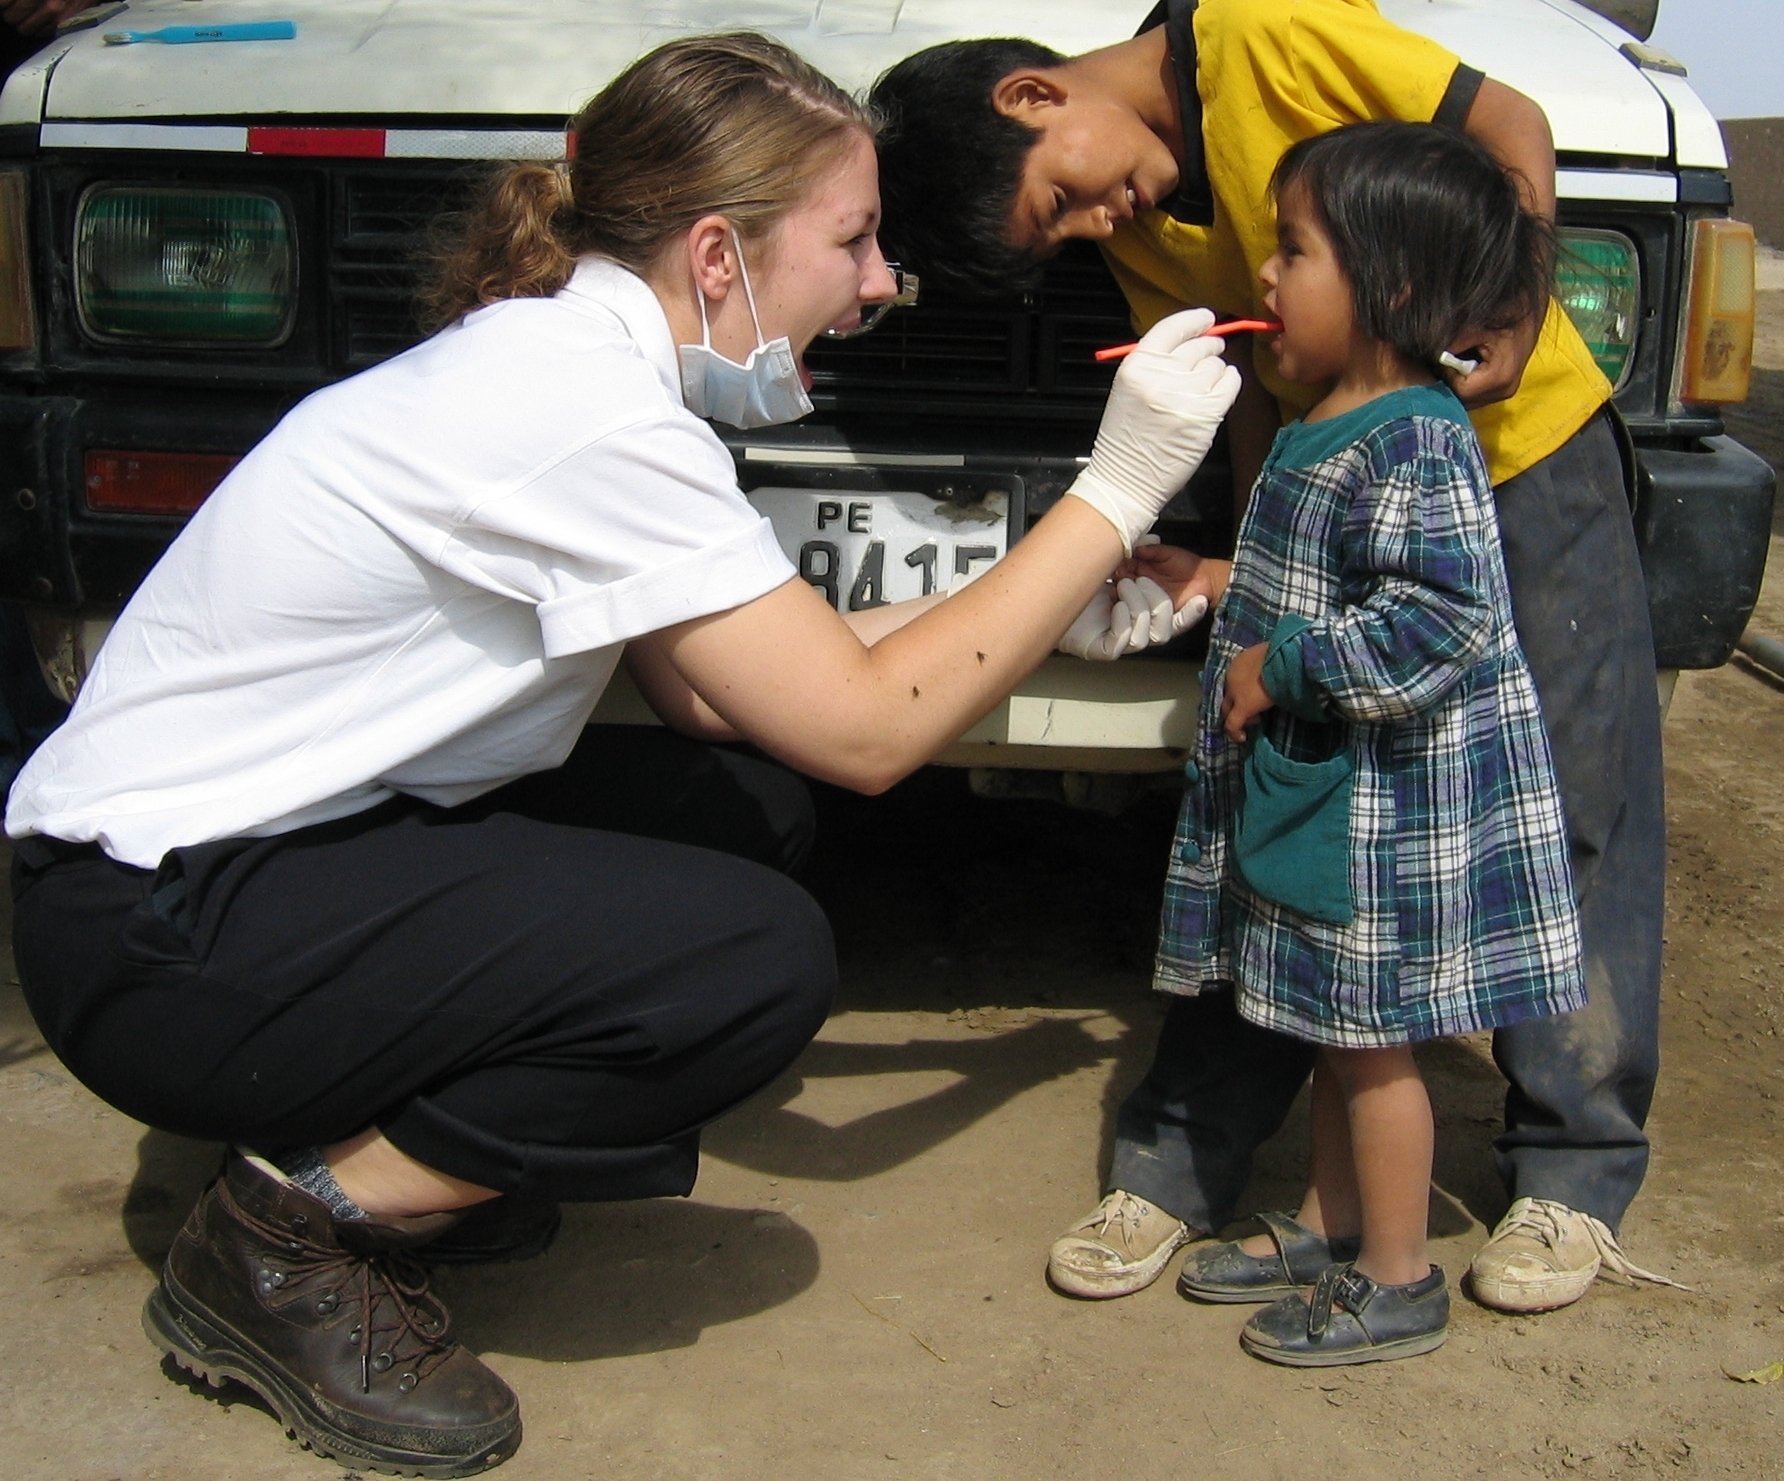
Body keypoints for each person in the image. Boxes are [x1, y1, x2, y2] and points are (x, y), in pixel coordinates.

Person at [6, 31, 1240, 1477]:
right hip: (155, 935)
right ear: (717, 255)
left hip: (204, 878)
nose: (880, 283)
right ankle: (289, 1230)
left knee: (737, 805)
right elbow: (866, 732)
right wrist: (1114, 490)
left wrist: (1049, 606)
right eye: (852, 239)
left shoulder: (583, 371)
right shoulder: (580, 413)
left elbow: (731, 698)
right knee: (749, 959)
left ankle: (390, 1136)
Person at [869, 0, 1673, 1317]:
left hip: (1519, 457)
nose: (1096, 225)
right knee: (1274, 828)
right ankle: (1187, 1162)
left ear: (1032, 97)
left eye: (1061, 199)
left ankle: (1569, 1169)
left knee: (1565, 801)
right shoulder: (1144, 216)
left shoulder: (1261, 33)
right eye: (1064, 235)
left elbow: (1509, 123)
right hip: (1332, 492)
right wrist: (1250, 570)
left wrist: (1513, 308)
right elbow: (1244, 386)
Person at [1143, 120, 1590, 1365]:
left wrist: (1278, 664)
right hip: (1326, 798)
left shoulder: (1411, 435)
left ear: (1387, 283)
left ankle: (1396, 1273)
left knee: (1370, 1042)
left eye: (1293, 249)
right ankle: (1328, 1224)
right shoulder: (1323, 416)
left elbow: (1439, 620)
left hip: (1383, 819)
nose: (1264, 273)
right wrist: (1208, 583)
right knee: (1334, 1027)